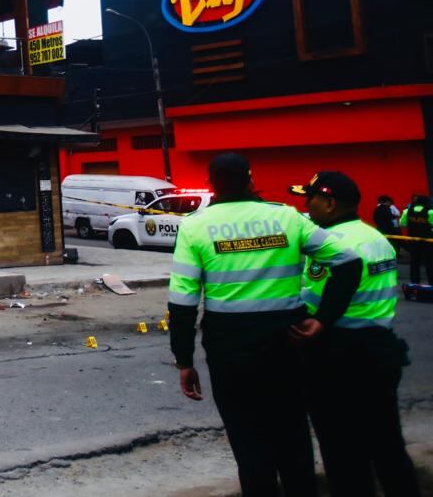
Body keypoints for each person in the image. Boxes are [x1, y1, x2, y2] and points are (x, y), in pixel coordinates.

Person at [168, 153, 362, 496]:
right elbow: (348, 261)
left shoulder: (195, 226)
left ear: (212, 183)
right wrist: (323, 319)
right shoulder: (287, 217)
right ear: (250, 179)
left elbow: (183, 301)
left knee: (248, 443)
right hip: (287, 342)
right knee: (293, 442)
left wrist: (184, 360)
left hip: (229, 349)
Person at [290, 172, 419, 497]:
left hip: (338, 356)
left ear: (330, 203)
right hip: (380, 348)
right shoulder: (375, 237)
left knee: (343, 452)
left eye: (312, 199)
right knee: (388, 444)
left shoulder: (332, 247)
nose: (306, 206)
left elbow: (313, 304)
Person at [400, 194, 431, 284]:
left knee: (414, 262)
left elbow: (403, 224)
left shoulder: (407, 211)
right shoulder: (430, 211)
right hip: (427, 241)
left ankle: (414, 284)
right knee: (429, 263)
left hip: (413, 240)